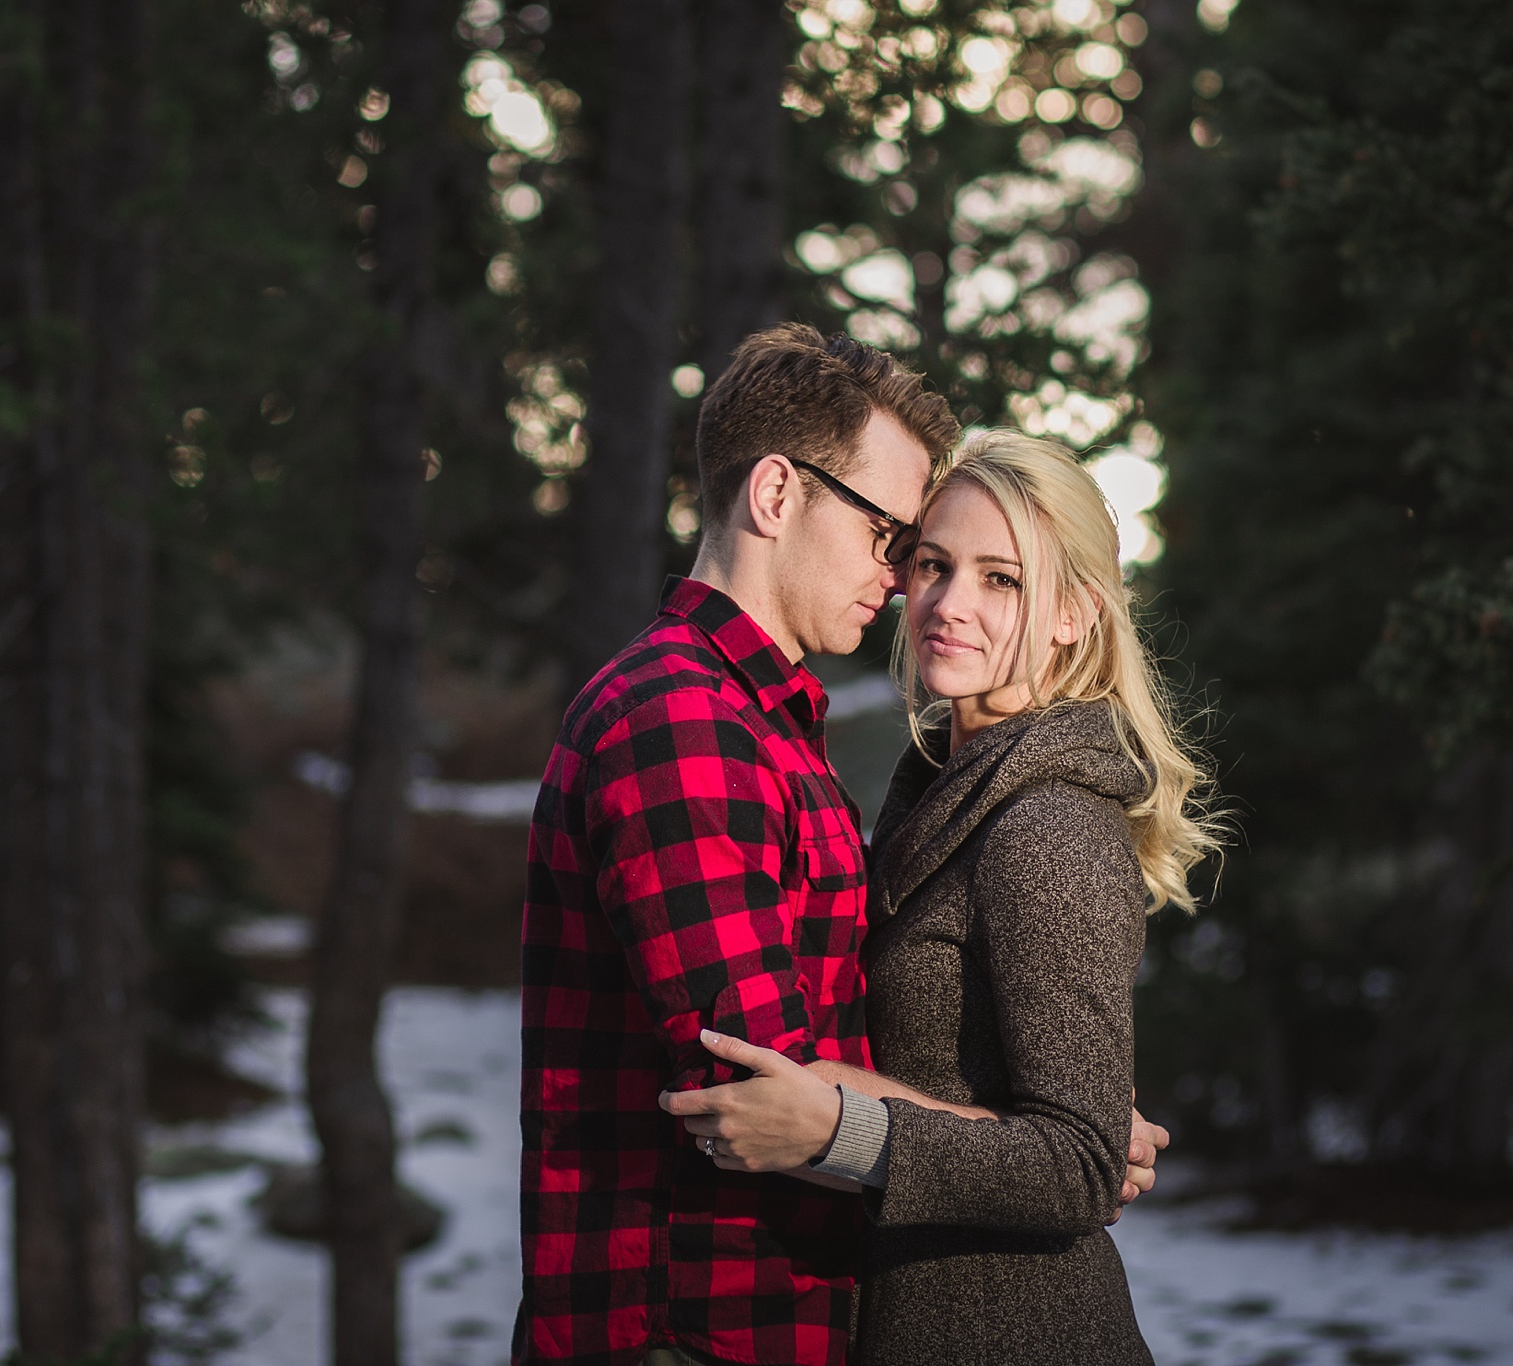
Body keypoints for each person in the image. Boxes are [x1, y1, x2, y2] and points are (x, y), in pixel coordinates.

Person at [515, 328, 1166, 1366]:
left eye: (993, 577)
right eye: (898, 542)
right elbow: (764, 1078)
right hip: (682, 1328)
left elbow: (825, 1072)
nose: (911, 586)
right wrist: (1024, 1140)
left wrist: (1053, 1138)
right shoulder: (682, 722)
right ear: (776, 495)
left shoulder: (777, 732)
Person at [661, 430, 1224, 1365]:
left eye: (1002, 579)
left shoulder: (1047, 824)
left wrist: (846, 1132)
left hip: (1013, 1330)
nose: (949, 605)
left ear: (1074, 614)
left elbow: (1080, 1167)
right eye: (933, 564)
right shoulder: (944, 787)